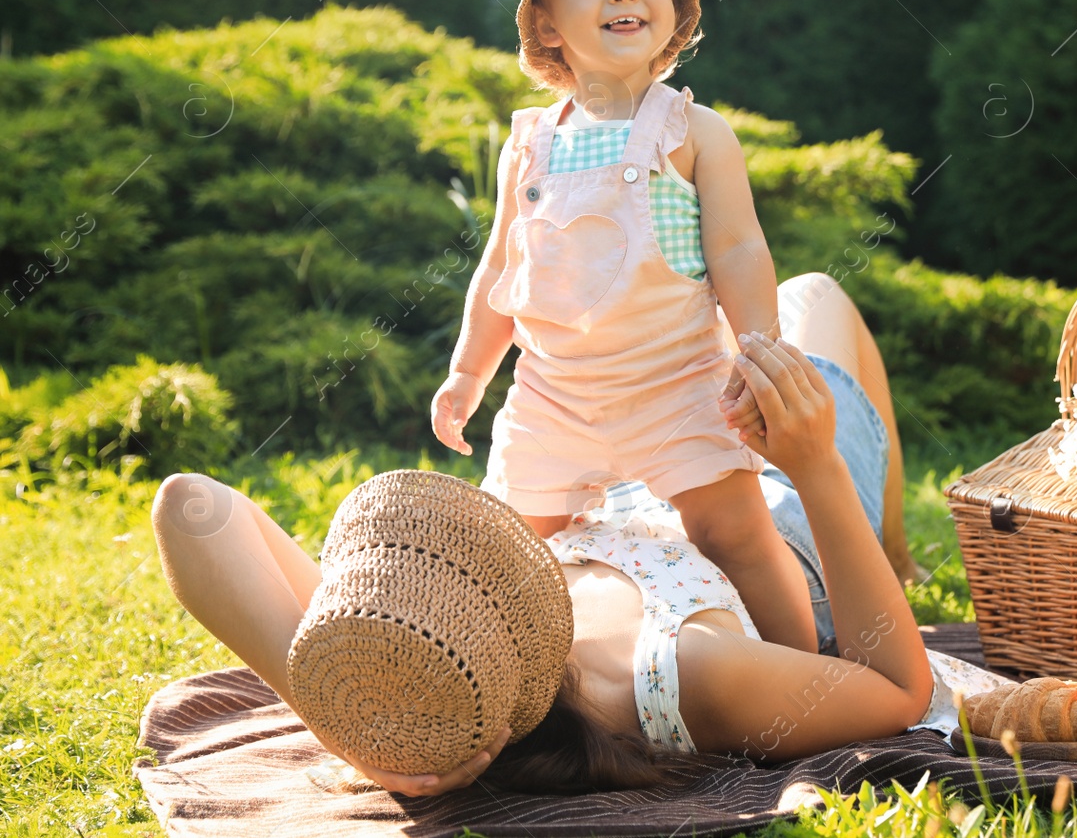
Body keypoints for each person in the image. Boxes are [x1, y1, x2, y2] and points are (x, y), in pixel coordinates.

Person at [150, 274, 1012, 797]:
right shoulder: (686, 669)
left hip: (657, 479)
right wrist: (818, 464)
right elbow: (899, 689)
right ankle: (889, 547)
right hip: (789, 515)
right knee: (818, 298)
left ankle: (891, 540)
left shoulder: (419, 654)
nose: (438, 558)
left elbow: (190, 506)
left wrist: (356, 731)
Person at [428, 0, 806, 650]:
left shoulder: (694, 131)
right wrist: (468, 376)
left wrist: (761, 351)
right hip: (552, 396)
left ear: (674, 6)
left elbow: (739, 251)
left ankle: (803, 673)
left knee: (734, 531)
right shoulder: (530, 143)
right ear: (545, 20)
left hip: (675, 385)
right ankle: (514, 681)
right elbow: (501, 265)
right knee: (514, 549)